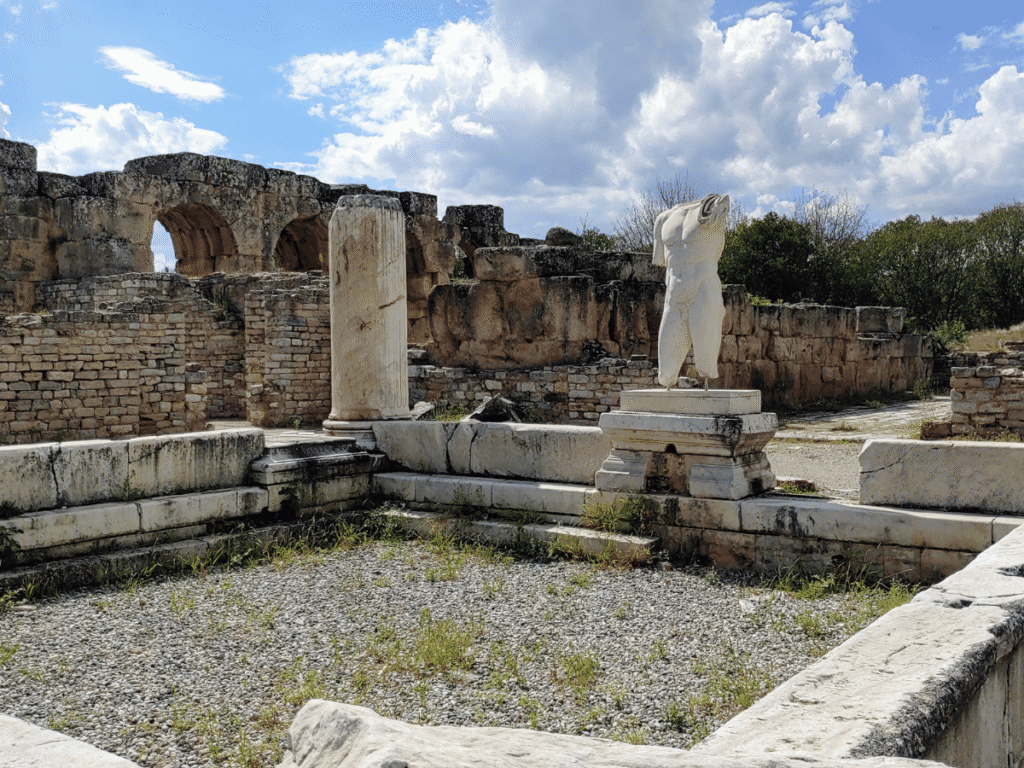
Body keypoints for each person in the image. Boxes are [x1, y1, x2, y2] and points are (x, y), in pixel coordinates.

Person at [652, 193, 731, 389]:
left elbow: (723, 204)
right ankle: (668, 383)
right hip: (674, 293)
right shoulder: (663, 219)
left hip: (703, 286)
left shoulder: (714, 206)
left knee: (706, 360)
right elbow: (661, 260)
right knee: (666, 369)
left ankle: (706, 380)